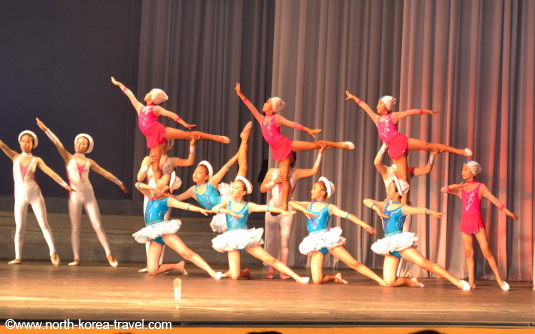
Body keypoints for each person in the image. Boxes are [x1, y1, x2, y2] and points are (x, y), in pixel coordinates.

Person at [236, 83, 354, 211]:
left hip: (285, 144)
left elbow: (291, 124)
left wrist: (308, 129)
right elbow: (251, 107)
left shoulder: (276, 118)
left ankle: (340, 145)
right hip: (277, 150)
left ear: (272, 108)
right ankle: (284, 204)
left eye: (268, 102)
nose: (264, 103)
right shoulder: (261, 119)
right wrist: (241, 94)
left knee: (314, 145)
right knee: (284, 177)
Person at [36, 119, 128, 266]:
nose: (80, 145)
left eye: (83, 143)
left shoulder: (89, 162)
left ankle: (109, 254)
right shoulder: (68, 157)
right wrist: (46, 130)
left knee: (97, 225)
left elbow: (105, 173)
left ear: (88, 147)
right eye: (78, 142)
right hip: (75, 195)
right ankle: (76, 257)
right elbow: (57, 143)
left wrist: (119, 182)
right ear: (74, 144)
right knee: (75, 227)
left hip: (89, 195)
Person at [346, 91, 471, 190]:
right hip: (394, 149)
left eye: (380, 103)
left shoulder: (392, 116)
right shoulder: (377, 119)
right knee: (403, 179)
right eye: (377, 103)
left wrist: (426, 111)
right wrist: (354, 98)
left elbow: (409, 113)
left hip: (401, 141)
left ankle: (460, 152)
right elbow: (365, 107)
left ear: (387, 106)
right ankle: (402, 203)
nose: (377, 105)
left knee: (429, 146)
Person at [111, 77, 229, 181]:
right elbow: (130, 95)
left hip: (158, 131)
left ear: (153, 97)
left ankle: (216, 137)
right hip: (151, 137)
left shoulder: (155, 108)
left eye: (149, 92)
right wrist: (120, 85)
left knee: (187, 134)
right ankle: (159, 191)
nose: (146, 93)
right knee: (155, 165)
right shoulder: (140, 108)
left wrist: (184, 123)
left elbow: (170, 114)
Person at [363, 181, 471, 290]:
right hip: (389, 245)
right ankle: (412, 282)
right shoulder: (385, 206)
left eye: (390, 189)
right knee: (389, 282)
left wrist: (430, 212)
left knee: (425, 264)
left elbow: (416, 210)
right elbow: (366, 200)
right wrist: (376, 208)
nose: (387, 190)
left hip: (399, 244)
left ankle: (457, 282)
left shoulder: (402, 208)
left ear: (396, 194)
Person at [211, 177, 310, 283]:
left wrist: (282, 211)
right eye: (232, 187)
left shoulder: (248, 206)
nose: (232, 190)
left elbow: (266, 208)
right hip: (230, 238)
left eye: (236, 188)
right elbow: (214, 209)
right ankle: (245, 273)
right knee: (235, 276)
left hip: (244, 237)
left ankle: (297, 277)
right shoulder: (227, 203)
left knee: (270, 260)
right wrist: (229, 212)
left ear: (243, 192)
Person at [289, 177, 385, 285]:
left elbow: (347, 215)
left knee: (353, 263)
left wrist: (364, 225)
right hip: (314, 242)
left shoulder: (329, 207)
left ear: (323, 192)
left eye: (314, 188)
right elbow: (290, 202)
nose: (312, 191)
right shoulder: (308, 205)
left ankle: (379, 280)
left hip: (327, 239)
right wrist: (303, 210)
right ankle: (336, 278)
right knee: (317, 280)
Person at [441, 161, 519, 290]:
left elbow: (494, 200)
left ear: (473, 172)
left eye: (466, 169)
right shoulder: (461, 189)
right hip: (465, 223)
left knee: (486, 252)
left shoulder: (480, 187)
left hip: (476, 222)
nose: (463, 172)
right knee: (468, 253)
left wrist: (508, 212)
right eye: (462, 169)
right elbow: (443, 189)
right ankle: (471, 282)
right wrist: (455, 186)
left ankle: (499, 280)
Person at [0, 131, 72, 265]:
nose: (25, 144)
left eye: (28, 142)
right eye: (23, 141)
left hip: (35, 196)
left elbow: (50, 172)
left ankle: (53, 251)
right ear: (19, 142)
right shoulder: (15, 156)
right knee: (19, 227)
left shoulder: (36, 160)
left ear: (33, 144)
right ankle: (18, 257)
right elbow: (2, 145)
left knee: (43, 224)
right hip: (20, 198)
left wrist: (64, 185)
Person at [134, 176, 223, 278]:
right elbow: (137, 185)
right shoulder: (150, 196)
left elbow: (184, 205)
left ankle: (212, 272)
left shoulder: (167, 200)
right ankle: (178, 266)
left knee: (186, 253)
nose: (158, 180)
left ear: (165, 187)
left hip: (162, 230)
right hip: (153, 233)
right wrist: (151, 188)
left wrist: (199, 209)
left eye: (162, 180)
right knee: (152, 270)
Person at [260, 145, 326, 279]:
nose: (285, 157)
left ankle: (283, 271)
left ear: (293, 159)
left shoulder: (295, 173)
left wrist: (320, 153)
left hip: (288, 209)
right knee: (271, 240)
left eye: (289, 155)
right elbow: (262, 189)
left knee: (285, 241)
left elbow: (314, 171)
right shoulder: (272, 171)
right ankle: (271, 270)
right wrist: (274, 181)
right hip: (272, 207)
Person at [174, 122, 252, 233]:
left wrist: (239, 153)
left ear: (206, 177)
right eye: (195, 171)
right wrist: (162, 194)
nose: (195, 173)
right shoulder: (192, 191)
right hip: (220, 212)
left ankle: (244, 138)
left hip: (228, 201)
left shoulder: (211, 183)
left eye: (199, 172)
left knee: (242, 169)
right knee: (231, 236)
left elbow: (226, 167)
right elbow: (177, 199)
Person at [137, 136, 198, 272]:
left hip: (164, 198)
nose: (164, 145)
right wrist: (147, 165)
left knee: (163, 228)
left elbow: (189, 162)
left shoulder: (171, 160)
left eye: (166, 143)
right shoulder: (147, 159)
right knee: (149, 228)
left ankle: (159, 262)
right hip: (149, 195)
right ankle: (151, 264)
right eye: (161, 143)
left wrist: (192, 145)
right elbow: (139, 179)